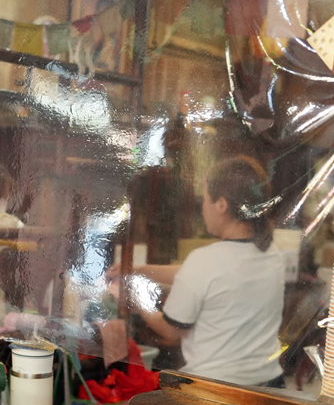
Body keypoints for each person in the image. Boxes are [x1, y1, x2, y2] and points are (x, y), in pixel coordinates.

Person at [113, 157, 285, 387]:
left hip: (215, 391)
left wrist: (135, 296)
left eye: (204, 199)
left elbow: (170, 331)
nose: (202, 207)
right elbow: (202, 275)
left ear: (221, 205)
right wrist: (137, 270)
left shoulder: (206, 262)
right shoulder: (272, 254)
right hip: (268, 384)